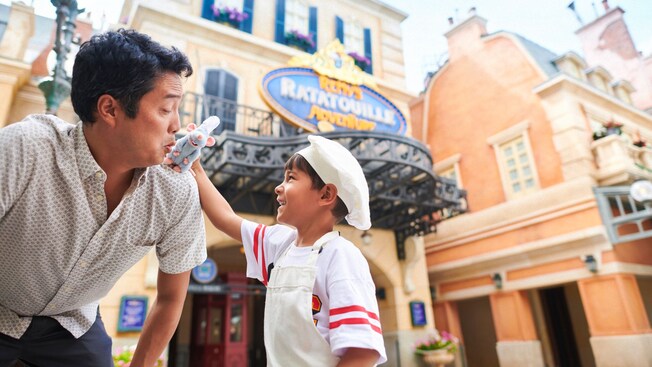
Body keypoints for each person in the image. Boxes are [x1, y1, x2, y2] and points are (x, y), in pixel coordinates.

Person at [0, 29, 206, 367]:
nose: (177, 125)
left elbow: (170, 300)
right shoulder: (25, 148)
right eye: (166, 109)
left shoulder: (176, 191)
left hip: (73, 325)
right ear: (109, 108)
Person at [191, 135, 387, 366]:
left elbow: (363, 353)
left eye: (290, 178)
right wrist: (195, 167)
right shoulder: (281, 244)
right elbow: (226, 218)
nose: (278, 187)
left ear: (326, 194)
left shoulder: (342, 256)